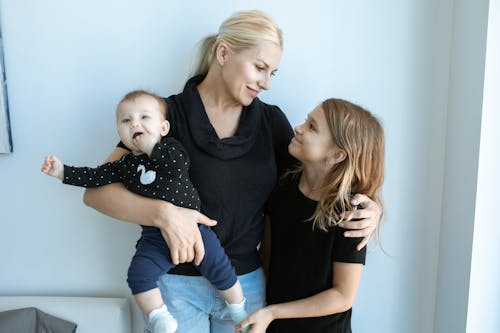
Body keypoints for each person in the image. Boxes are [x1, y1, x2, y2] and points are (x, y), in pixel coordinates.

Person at [83, 10, 382, 333]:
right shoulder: (165, 117)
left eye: (273, 74)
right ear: (223, 52)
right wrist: (163, 215)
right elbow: (96, 192)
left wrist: (372, 205)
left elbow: (318, 181)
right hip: (176, 288)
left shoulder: (272, 124)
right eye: (259, 68)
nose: (266, 83)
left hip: (246, 288)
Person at [41, 90, 249, 333]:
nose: (135, 124)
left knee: (220, 268)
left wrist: (152, 148)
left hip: (195, 229)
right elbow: (94, 177)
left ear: (163, 127)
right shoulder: (124, 165)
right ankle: (159, 316)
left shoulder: (172, 148)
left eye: (144, 117)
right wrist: (62, 172)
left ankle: (237, 307)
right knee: (137, 275)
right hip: (154, 236)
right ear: (120, 132)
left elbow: (177, 165)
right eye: (125, 120)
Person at [235, 98, 385, 333]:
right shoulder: (283, 186)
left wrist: (274, 312)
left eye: (312, 126)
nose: (298, 127)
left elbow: (343, 296)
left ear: (337, 155)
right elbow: (267, 257)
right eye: (307, 120)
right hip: (272, 325)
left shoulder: (352, 212)